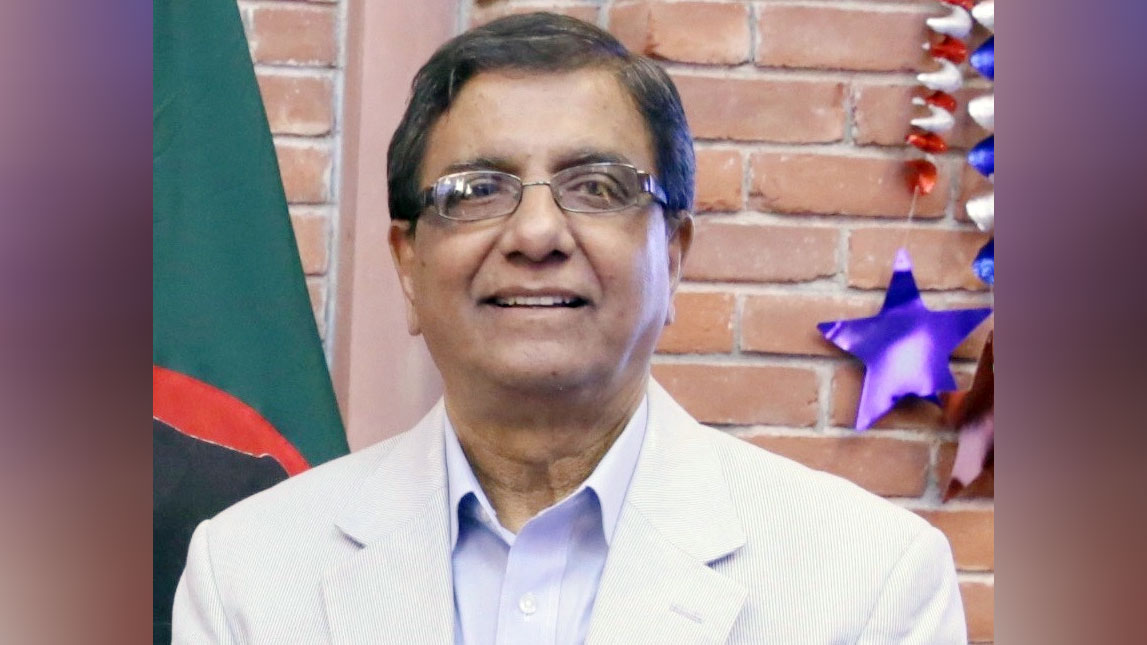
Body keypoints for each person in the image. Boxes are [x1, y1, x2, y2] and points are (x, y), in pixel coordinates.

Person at [173, 12, 966, 644]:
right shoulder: (250, 571)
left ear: (673, 256)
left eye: (596, 186)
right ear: (408, 265)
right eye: (476, 189)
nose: (536, 233)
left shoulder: (867, 579)